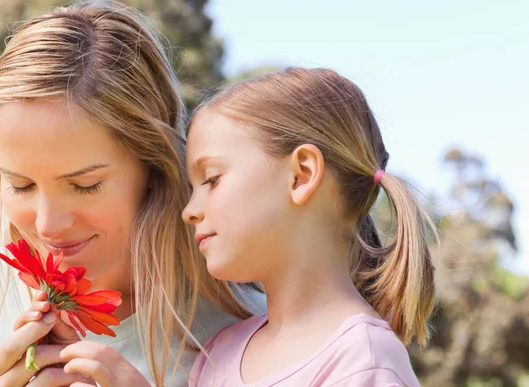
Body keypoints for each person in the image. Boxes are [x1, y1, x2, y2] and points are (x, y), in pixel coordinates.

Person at [0, 1, 264, 387]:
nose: (47, 225)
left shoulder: (253, 336)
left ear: (154, 169)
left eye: (85, 185)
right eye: (21, 185)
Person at [183, 67, 436, 386]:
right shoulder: (216, 355)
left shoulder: (362, 363)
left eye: (211, 180)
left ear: (301, 174)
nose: (189, 211)